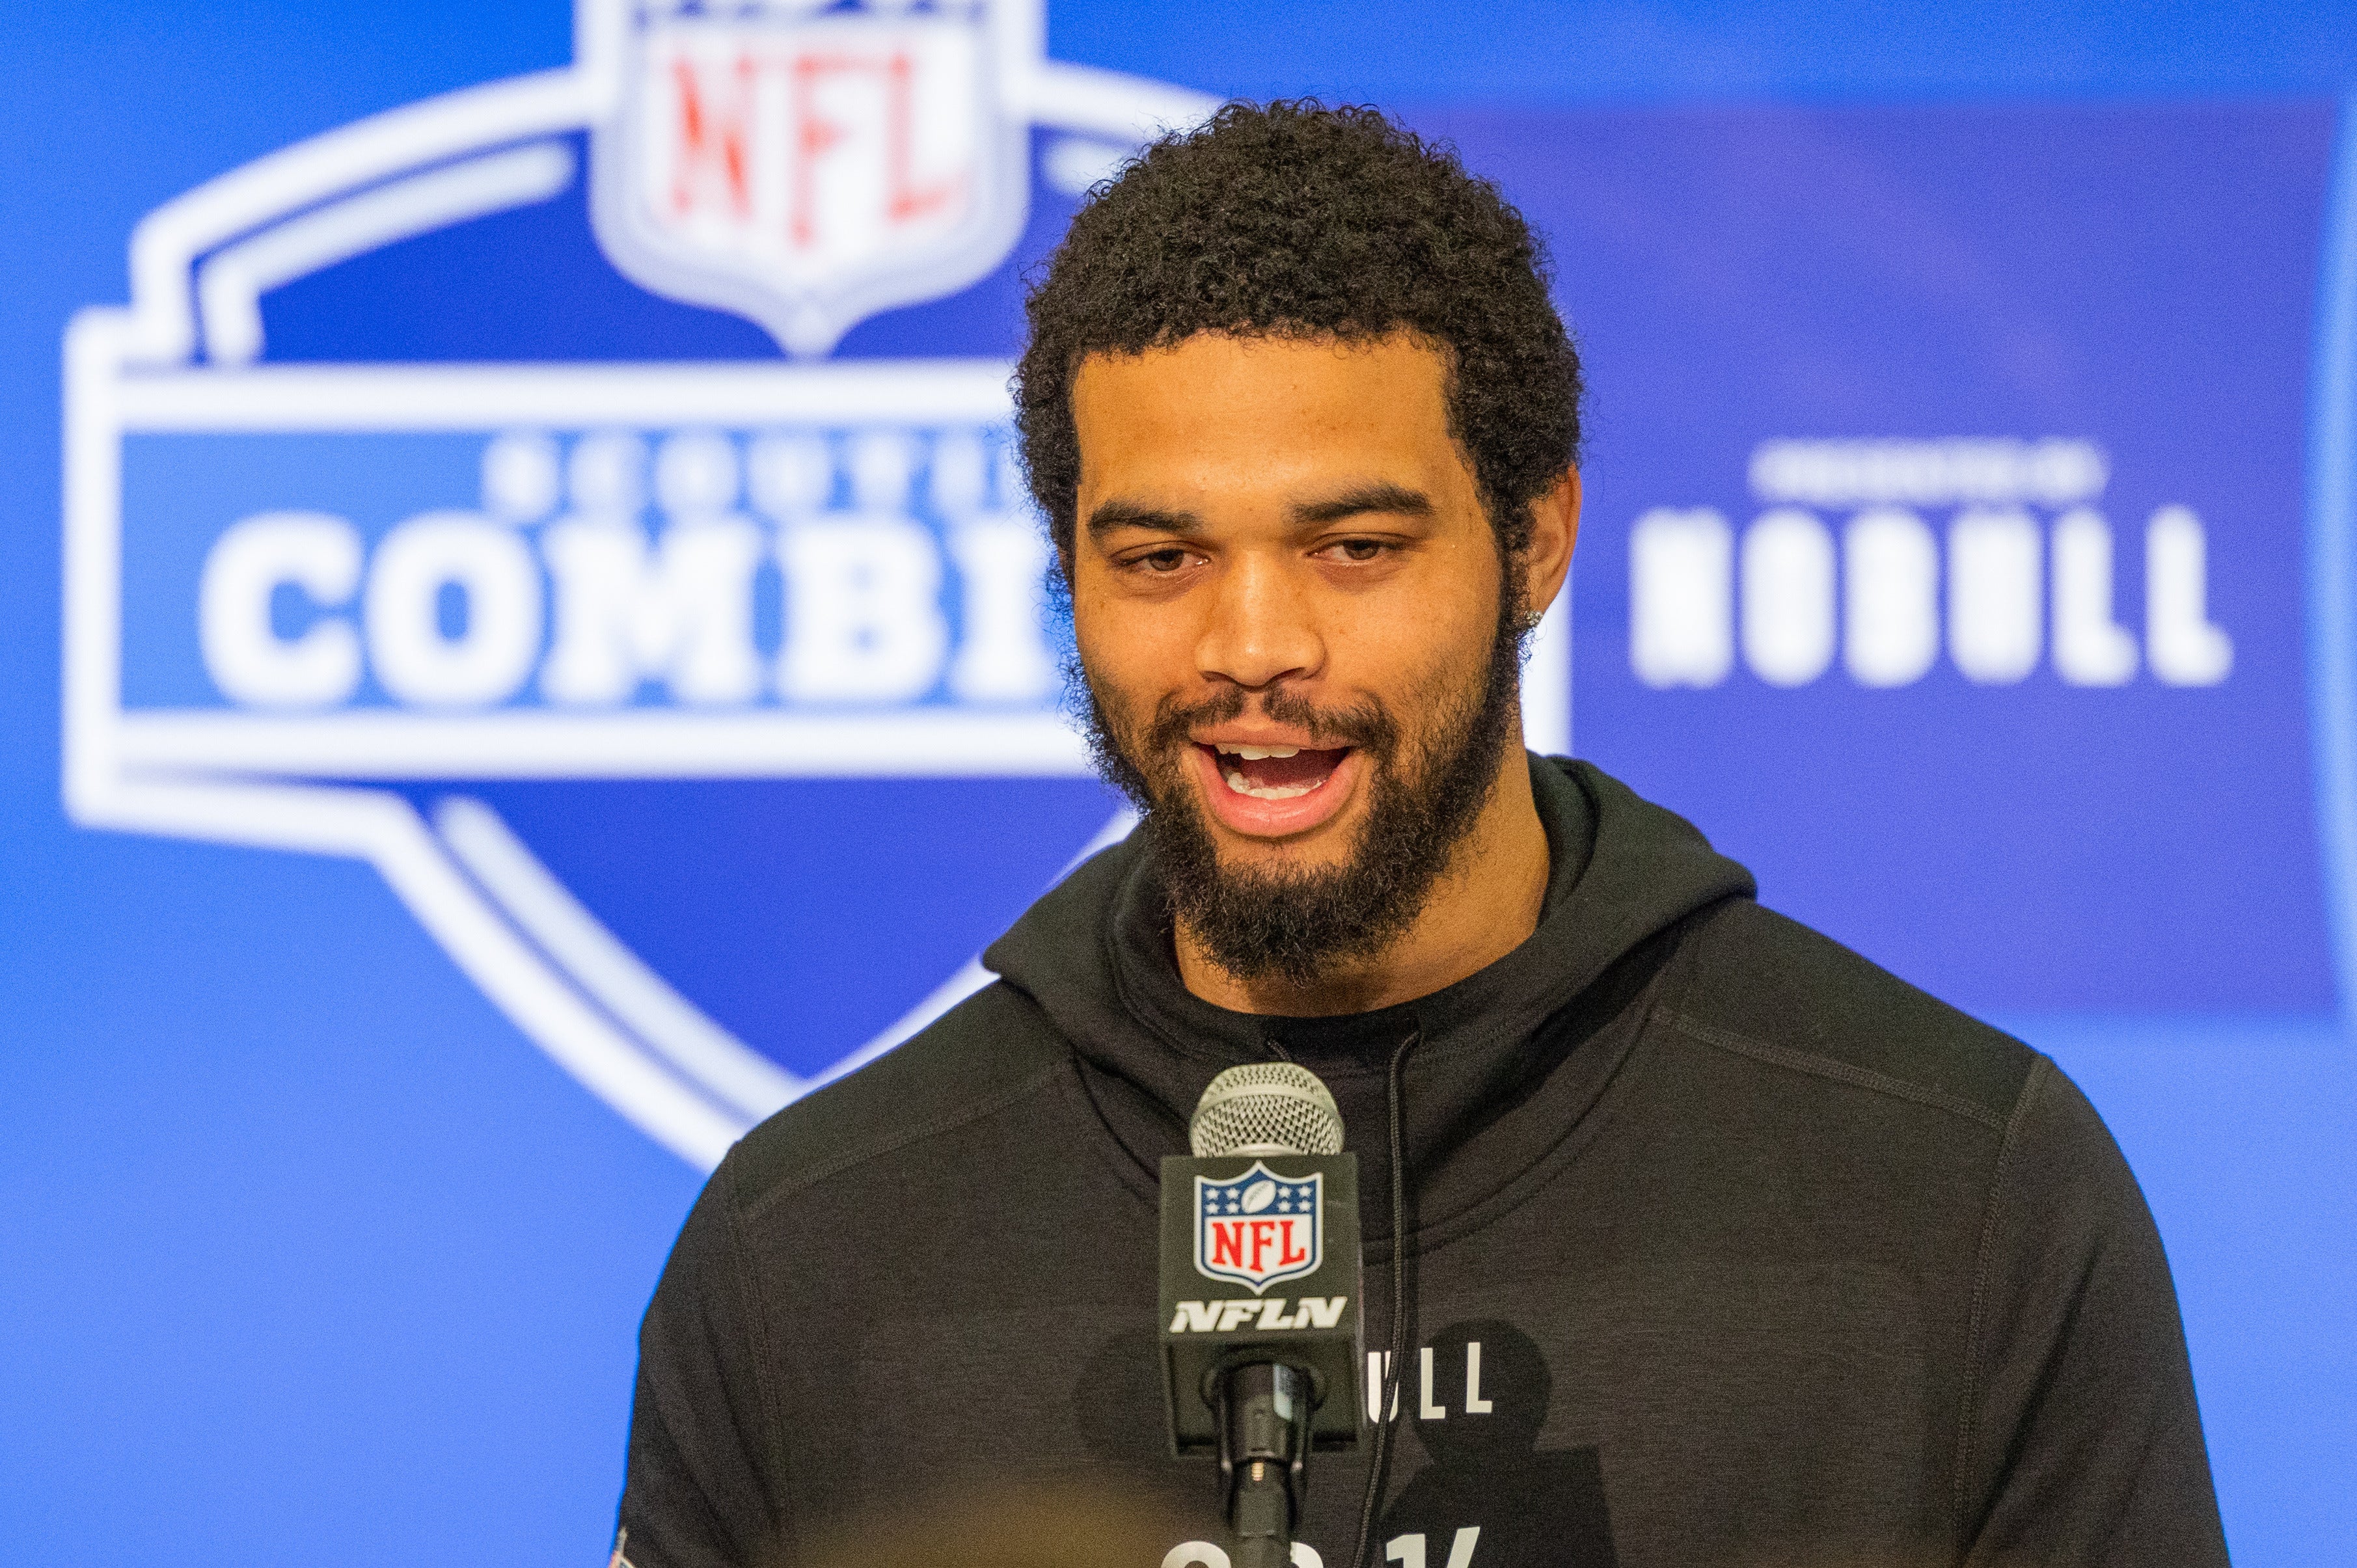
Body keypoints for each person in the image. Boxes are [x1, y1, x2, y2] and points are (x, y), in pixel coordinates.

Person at [614, 101, 2226, 1568]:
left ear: (1533, 540)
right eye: (1161, 558)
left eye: (1353, 545)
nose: (1252, 644)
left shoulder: (1949, 1189)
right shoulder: (808, 1254)